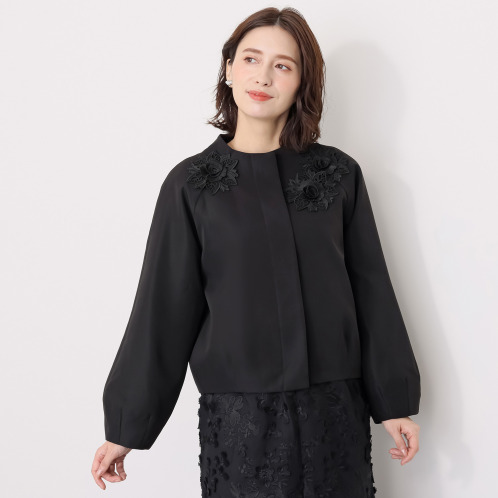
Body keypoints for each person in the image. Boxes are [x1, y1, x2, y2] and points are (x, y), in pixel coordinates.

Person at [91, 7, 421, 496]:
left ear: (302, 81)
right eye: (251, 59)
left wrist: (394, 402)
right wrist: (126, 427)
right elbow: (163, 309)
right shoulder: (190, 185)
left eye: (283, 65)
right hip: (239, 425)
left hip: (334, 417)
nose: (263, 76)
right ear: (228, 68)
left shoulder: (338, 175)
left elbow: (370, 289)